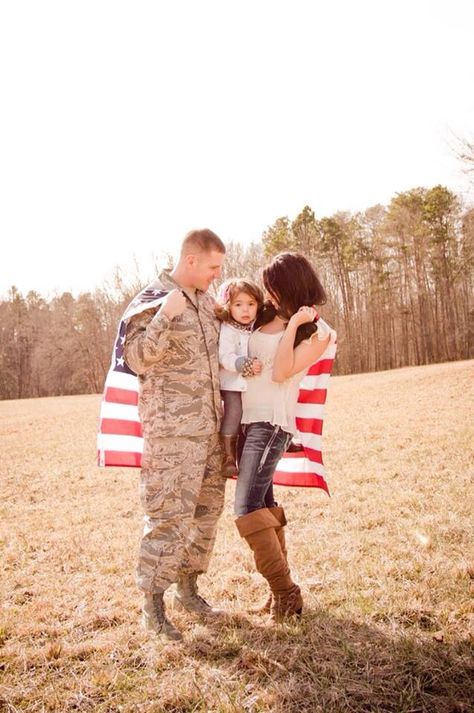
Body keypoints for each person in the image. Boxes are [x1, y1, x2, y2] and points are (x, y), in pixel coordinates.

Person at [123, 228, 226, 642]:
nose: (216, 275)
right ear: (191, 262)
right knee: (168, 519)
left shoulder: (207, 304)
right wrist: (165, 316)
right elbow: (137, 359)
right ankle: (152, 604)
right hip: (171, 436)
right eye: (213, 267)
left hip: (209, 432)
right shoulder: (152, 299)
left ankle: (188, 588)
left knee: (205, 515)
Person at [233, 252, 331, 622]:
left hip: (271, 425)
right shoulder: (263, 316)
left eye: (273, 284)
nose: (268, 292)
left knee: (245, 508)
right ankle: (280, 593)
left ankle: (286, 592)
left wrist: (292, 327)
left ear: (288, 283)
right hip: (249, 424)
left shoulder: (317, 331)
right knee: (263, 505)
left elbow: (281, 372)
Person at [215, 278, 264, 478]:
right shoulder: (228, 329)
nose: (245, 310)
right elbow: (224, 356)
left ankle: (280, 439)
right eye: (238, 304)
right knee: (234, 411)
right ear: (229, 306)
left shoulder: (257, 327)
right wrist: (244, 364)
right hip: (232, 383)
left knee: (262, 409)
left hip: (252, 384)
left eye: (251, 304)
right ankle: (228, 456)